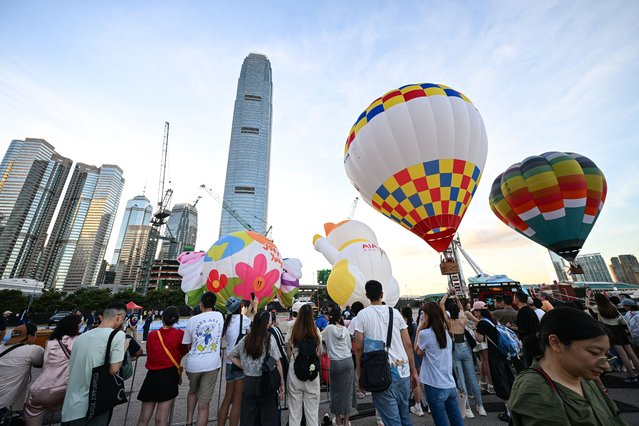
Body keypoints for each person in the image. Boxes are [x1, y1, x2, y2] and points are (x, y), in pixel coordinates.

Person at [509, 307, 628, 425]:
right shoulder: (535, 389)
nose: (606, 366)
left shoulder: (582, 376)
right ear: (556, 343)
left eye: (605, 355)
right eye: (595, 353)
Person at [354, 280, 419, 426]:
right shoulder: (395, 313)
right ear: (382, 294)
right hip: (403, 370)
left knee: (392, 420)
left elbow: (358, 347)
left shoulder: (363, 315)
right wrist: (414, 371)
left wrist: (359, 373)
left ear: (366, 295)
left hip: (380, 372)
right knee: (405, 416)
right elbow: (408, 343)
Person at [61, 302, 128, 425]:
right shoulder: (117, 335)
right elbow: (114, 369)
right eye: (123, 319)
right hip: (95, 404)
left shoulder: (81, 337)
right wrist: (123, 349)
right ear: (119, 317)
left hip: (70, 407)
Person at [229, 310, 285, 426]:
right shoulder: (269, 338)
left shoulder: (246, 339)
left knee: (249, 416)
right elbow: (278, 362)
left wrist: (243, 366)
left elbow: (231, 355)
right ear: (265, 323)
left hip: (249, 381)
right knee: (267, 416)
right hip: (266, 381)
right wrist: (282, 382)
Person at [24, 315, 81, 426]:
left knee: (33, 413)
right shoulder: (77, 340)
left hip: (39, 390)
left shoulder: (49, 341)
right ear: (74, 327)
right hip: (64, 388)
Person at [415, 302, 464, 426]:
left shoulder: (425, 334)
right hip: (450, 385)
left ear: (428, 316)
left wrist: (419, 329)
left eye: (423, 314)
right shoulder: (446, 333)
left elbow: (418, 351)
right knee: (457, 420)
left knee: (441, 422)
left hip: (434, 385)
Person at [136, 307, 187, 426]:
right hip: (169, 375)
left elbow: (149, 351)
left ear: (162, 318)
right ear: (176, 320)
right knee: (162, 419)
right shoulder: (179, 334)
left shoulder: (153, 335)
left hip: (152, 376)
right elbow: (183, 351)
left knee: (143, 418)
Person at [439, 294, 486, 418]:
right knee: (472, 378)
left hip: (455, 349)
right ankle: (481, 406)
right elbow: (461, 308)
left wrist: (447, 293)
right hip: (465, 347)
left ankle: (467, 408)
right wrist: (457, 298)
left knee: (461, 379)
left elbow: (441, 305)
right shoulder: (463, 319)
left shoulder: (448, 322)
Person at [182, 292, 224, 426]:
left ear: (201, 304)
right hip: (212, 364)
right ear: (214, 304)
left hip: (194, 364)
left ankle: (189, 421)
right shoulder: (219, 316)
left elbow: (187, 344)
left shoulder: (192, 320)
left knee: (192, 392)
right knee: (204, 405)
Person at [474, 304, 515, 423]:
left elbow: (479, 339)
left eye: (475, 312)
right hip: (503, 354)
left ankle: (509, 413)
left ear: (479, 311)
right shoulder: (493, 320)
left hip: (494, 357)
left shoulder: (482, 323)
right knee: (508, 380)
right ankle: (513, 408)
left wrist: (475, 329)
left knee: (501, 383)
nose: (475, 314)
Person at [587, 292, 639, 383]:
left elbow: (587, 305)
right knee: (631, 353)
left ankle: (632, 376)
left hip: (611, 331)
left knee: (623, 355)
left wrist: (588, 296)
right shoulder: (612, 307)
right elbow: (620, 320)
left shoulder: (597, 308)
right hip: (620, 330)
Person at [287, 303, 322, 426]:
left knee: (294, 412)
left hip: (295, 369)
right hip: (312, 373)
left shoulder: (292, 329)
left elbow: (289, 352)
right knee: (312, 413)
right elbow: (318, 352)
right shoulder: (316, 331)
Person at [218, 297, 251, 426]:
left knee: (227, 398)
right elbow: (246, 322)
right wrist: (254, 307)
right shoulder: (245, 320)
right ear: (240, 307)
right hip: (239, 363)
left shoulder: (226, 322)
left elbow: (242, 320)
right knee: (237, 400)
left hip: (229, 363)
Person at [0, 323, 45, 419]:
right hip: (3, 405)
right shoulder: (33, 350)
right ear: (29, 337)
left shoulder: (1, 348)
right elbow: (44, 362)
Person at [322, 307, 356, 426]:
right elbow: (349, 347)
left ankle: (338, 421)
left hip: (336, 362)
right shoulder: (345, 330)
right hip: (348, 361)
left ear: (330, 317)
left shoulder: (328, 329)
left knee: (335, 393)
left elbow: (321, 341)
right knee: (347, 392)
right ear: (340, 317)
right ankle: (346, 421)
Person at [401, 306, 425, 417]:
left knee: (414, 382)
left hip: (409, 358)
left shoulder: (403, 328)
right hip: (418, 356)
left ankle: (418, 405)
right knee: (420, 380)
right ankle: (424, 402)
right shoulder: (416, 326)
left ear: (403, 315)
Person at [509, 293, 540, 368]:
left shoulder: (522, 312)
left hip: (528, 342)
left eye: (514, 298)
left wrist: (510, 327)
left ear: (517, 300)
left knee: (529, 364)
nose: (513, 300)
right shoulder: (530, 310)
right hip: (535, 339)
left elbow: (522, 329)